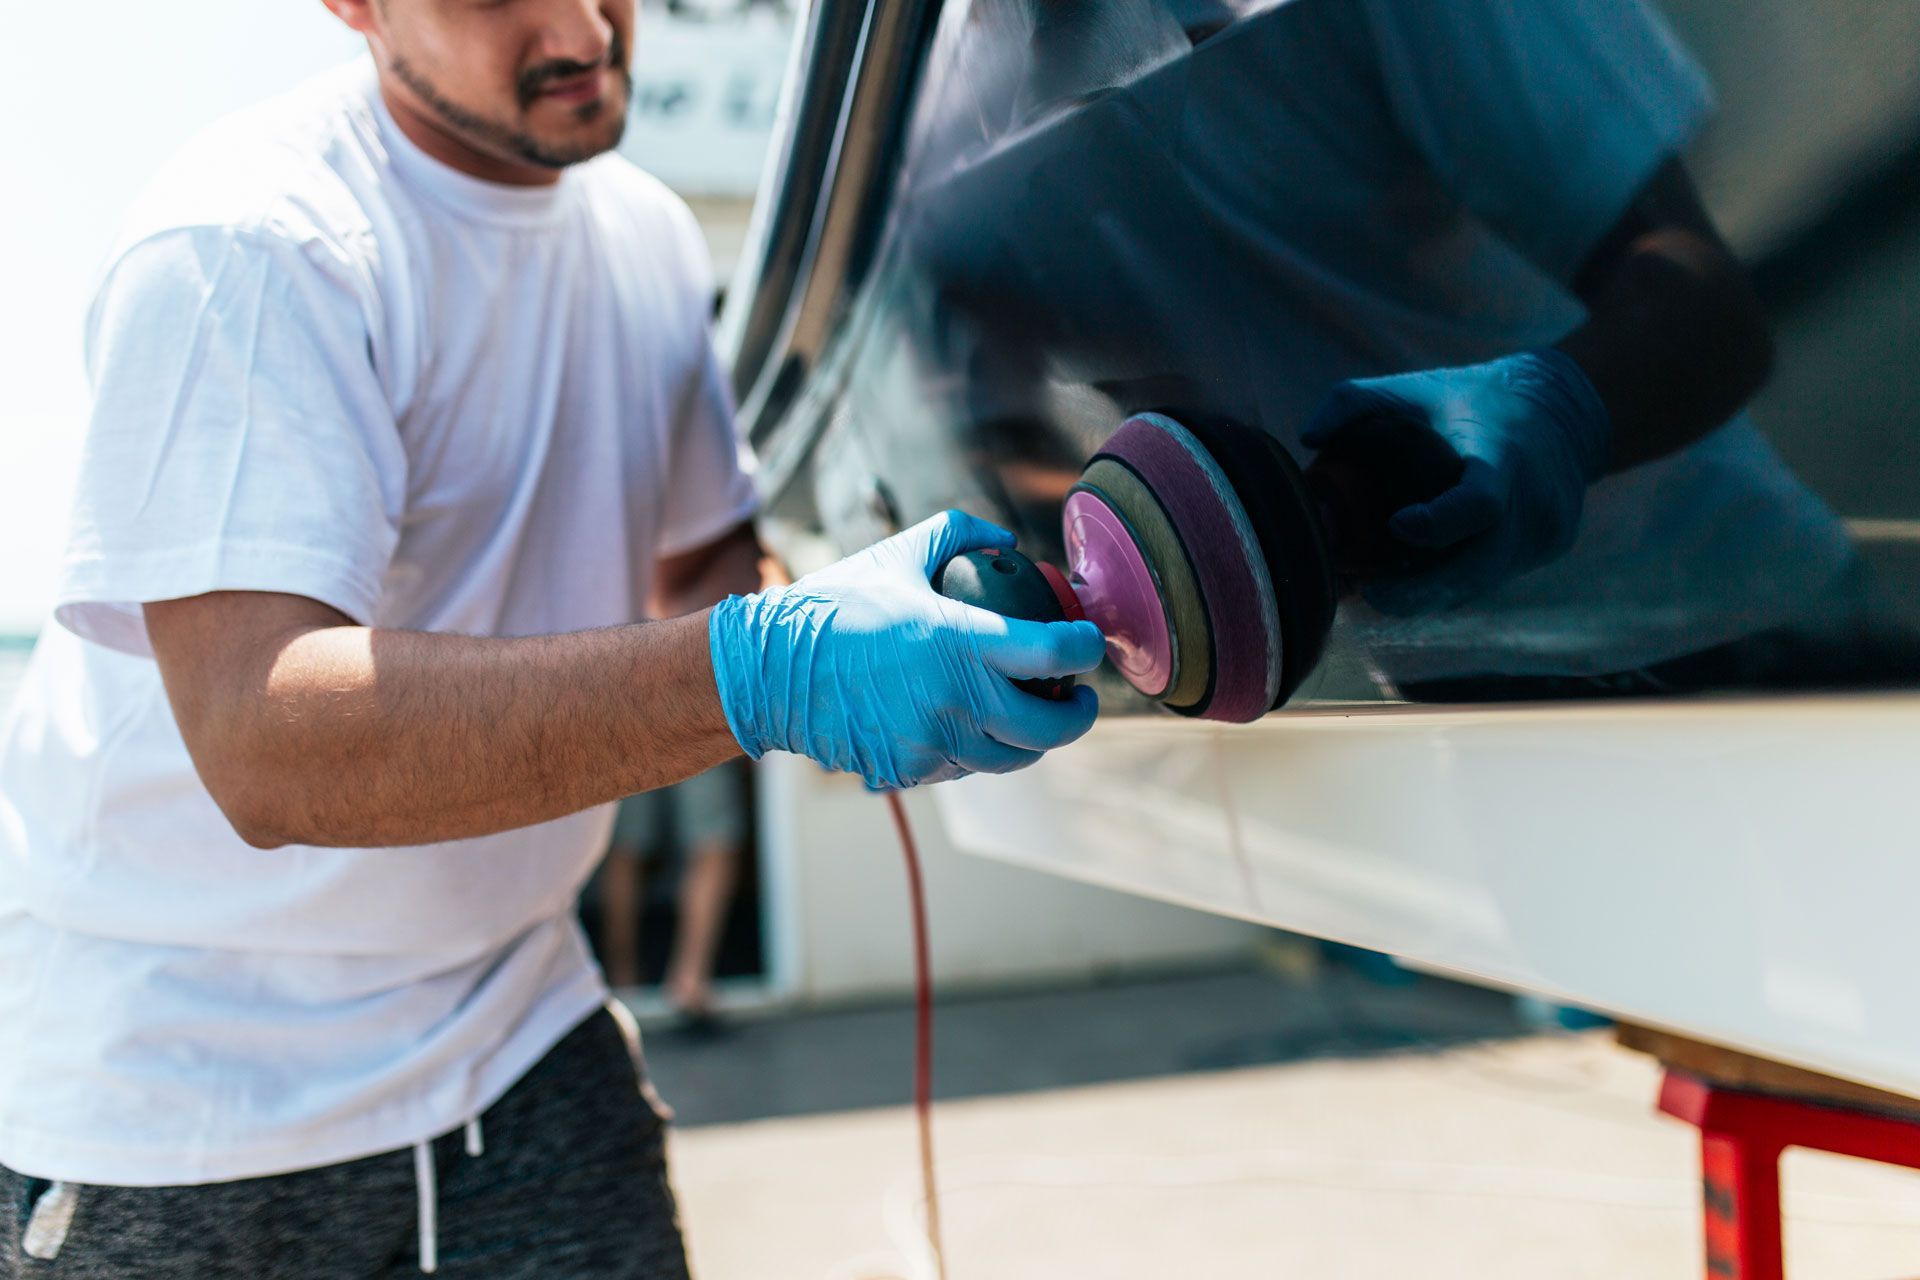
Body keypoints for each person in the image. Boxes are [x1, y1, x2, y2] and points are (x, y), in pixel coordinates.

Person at [0, 1, 1102, 1276]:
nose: (582, 24)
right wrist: (769, 667)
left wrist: (893, 605)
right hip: (184, 1093)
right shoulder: (251, 244)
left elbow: (701, 567)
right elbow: (268, 745)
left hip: (514, 1022)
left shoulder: (642, 234)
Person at [596, 761, 748, 1027]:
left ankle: (622, 980)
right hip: (698, 724)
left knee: (626, 848)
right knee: (713, 843)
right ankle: (689, 980)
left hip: (627, 726)